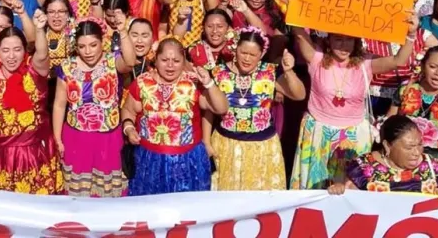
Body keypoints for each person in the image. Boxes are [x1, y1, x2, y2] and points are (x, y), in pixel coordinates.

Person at [289, 16, 418, 190]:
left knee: (349, 189)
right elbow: (298, 33)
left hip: (354, 138)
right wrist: (292, 3)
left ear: (356, 42)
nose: (344, 45)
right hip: (317, 135)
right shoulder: (316, 58)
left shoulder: (366, 64)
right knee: (315, 189)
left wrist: (410, 34)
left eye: (349, 40)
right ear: (329, 40)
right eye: (338, 39)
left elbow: (398, 60)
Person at [0, 11, 63, 194]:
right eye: (5, 50)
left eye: (17, 50)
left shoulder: (34, 71)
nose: (11, 56)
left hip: (31, 155)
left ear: (25, 50)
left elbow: (42, 54)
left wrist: (40, 29)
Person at [121, 38, 229, 195]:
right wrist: (129, 128)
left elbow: (221, 108)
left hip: (187, 161)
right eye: (164, 60)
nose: (170, 65)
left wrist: (209, 83)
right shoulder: (142, 83)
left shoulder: (193, 84)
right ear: (155, 60)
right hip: (149, 160)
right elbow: (129, 110)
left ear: (183, 61)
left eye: (176, 61)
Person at [206, 29, 305, 191]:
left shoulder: (270, 72)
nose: (247, 58)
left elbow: (299, 95)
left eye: (252, 55)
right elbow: (209, 109)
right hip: (226, 146)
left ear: (262, 53)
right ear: (235, 49)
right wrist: (206, 141)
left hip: (262, 148)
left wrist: (289, 72)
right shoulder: (218, 73)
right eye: (243, 52)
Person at [53, 18, 136, 197]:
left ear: (102, 42)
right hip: (76, 137)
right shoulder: (67, 67)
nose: (88, 51)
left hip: (108, 137)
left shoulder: (112, 62)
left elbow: (130, 62)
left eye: (93, 45)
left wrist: (123, 31)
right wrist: (58, 138)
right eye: (82, 46)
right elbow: (59, 105)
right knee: (77, 192)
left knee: (107, 192)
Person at [328, 115, 438, 195]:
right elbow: (347, 203)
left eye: (420, 145)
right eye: (409, 147)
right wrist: (339, 191)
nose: (417, 152)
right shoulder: (364, 168)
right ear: (388, 146)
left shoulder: (430, 167)